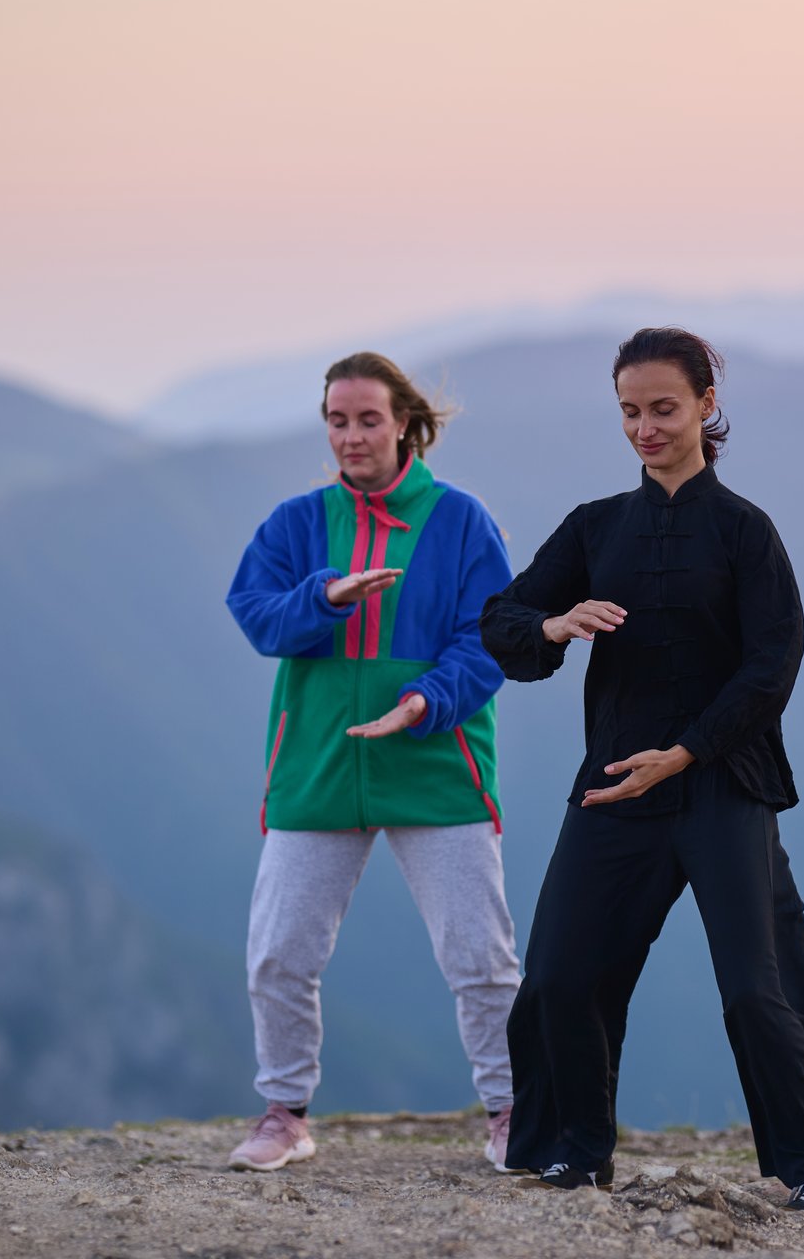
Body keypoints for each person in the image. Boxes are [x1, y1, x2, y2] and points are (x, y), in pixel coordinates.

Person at [480, 328, 804, 1219]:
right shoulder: (594, 526)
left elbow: (772, 666)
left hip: (722, 782)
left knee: (756, 992)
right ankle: (571, 1151)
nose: (644, 427)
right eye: (630, 412)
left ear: (705, 407)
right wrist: (555, 628)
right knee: (561, 975)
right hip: (613, 783)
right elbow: (503, 620)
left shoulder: (744, 531)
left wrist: (684, 752)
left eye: (663, 409)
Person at [224, 352, 521, 1174]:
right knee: (280, 951)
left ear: (403, 423)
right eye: (337, 420)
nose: (351, 435)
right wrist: (323, 599)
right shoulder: (295, 522)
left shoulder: (462, 520)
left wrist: (425, 702)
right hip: (318, 766)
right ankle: (284, 1115)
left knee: (480, 956)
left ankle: (510, 1113)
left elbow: (493, 638)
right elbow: (255, 617)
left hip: (435, 764)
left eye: (367, 419)